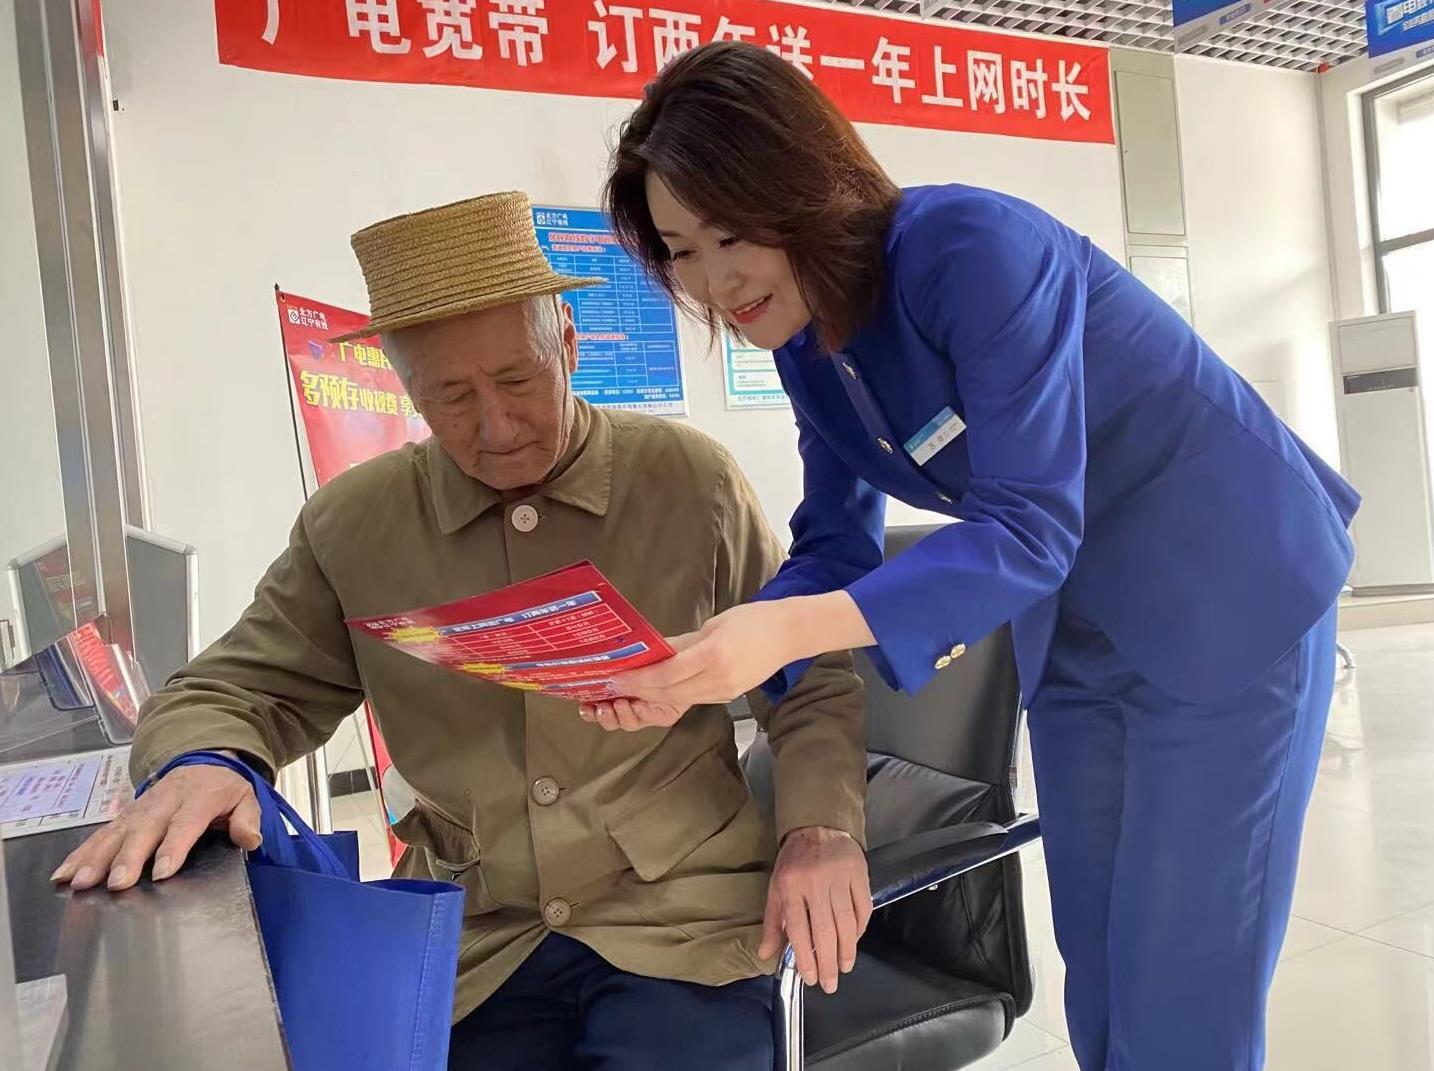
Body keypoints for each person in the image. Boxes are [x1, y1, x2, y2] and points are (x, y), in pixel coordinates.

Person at [594, 42, 1360, 1071]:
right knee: (1100, 967)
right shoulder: (806, 346)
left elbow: (1029, 520)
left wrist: (781, 632)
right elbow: (835, 544)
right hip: (1077, 626)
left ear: (803, 183)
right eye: (681, 250)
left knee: (1183, 985)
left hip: (1228, 597)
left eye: (731, 233)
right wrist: (696, 662)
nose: (714, 279)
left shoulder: (970, 247)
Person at [50, 192, 872, 1070]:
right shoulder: (356, 526)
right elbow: (238, 686)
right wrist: (204, 759)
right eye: (449, 396)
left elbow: (808, 675)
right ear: (405, 386)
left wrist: (820, 828)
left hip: (683, 924)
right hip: (479, 940)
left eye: (518, 379)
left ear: (568, 339)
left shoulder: (687, 481)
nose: (496, 425)